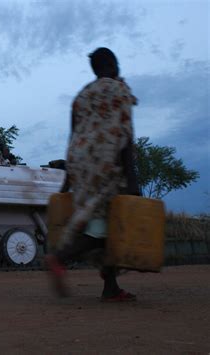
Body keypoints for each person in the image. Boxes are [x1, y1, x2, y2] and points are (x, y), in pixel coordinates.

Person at [45, 47, 140, 302]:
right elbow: (124, 135)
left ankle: (110, 288)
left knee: (101, 222)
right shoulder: (119, 90)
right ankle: (60, 258)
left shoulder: (81, 96)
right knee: (102, 228)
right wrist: (132, 180)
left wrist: (67, 180)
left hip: (81, 165)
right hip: (107, 163)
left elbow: (72, 137)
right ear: (112, 65)